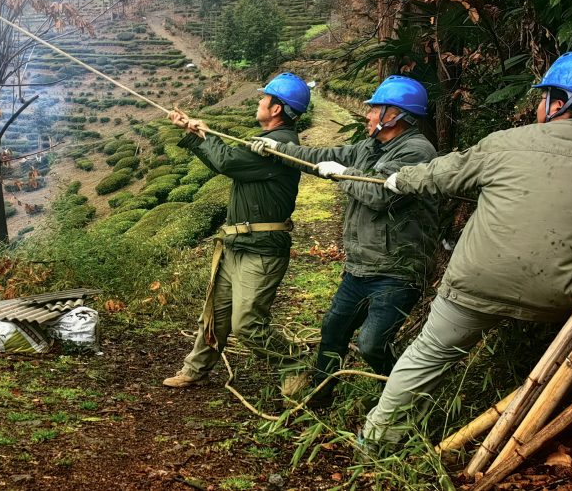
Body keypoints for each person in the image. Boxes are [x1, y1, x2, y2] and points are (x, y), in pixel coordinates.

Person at [361, 51, 572, 446]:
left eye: (543, 97)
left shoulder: (507, 143)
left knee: (427, 355)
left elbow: (443, 175)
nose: (539, 105)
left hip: (479, 282)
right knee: (563, 358)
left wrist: (398, 180)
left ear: (559, 102)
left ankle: (377, 440)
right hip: (564, 300)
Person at [248, 75, 439, 403]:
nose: (367, 115)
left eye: (375, 110)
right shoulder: (371, 145)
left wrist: (339, 173)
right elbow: (325, 154)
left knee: (372, 344)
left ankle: (405, 402)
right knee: (333, 329)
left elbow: (379, 194)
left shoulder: (416, 152)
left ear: (395, 115)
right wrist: (278, 149)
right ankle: (321, 396)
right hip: (361, 266)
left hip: (396, 269)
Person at [162, 72, 311, 388]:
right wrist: (197, 133)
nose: (259, 101)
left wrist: (200, 136)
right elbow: (230, 159)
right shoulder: (267, 144)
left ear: (277, 109)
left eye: (264, 98)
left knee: (248, 325)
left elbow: (227, 161)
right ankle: (195, 368)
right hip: (238, 243)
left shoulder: (278, 147)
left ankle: (296, 360)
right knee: (215, 313)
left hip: (261, 250)